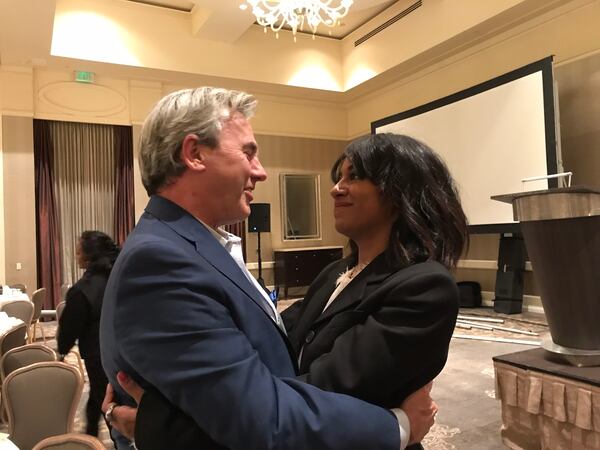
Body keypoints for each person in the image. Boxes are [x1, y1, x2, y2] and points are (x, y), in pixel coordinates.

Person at [99, 87, 437, 450]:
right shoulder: (162, 261)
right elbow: (262, 421)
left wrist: (156, 423)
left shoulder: (187, 246)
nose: (260, 172)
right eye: (248, 152)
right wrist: (398, 426)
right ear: (194, 153)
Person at [58, 230, 120, 436]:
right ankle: (91, 433)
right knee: (100, 397)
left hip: (98, 355)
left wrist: (61, 351)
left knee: (108, 403)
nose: (76, 256)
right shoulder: (120, 278)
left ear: (88, 256)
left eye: (78, 252)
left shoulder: (82, 290)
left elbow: (69, 328)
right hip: (125, 349)